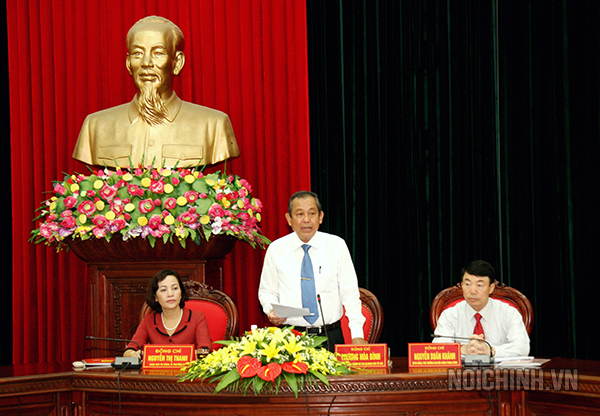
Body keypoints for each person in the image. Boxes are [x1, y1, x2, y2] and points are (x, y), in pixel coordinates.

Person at [72, 16, 240, 168]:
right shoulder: (95, 126)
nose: (146, 63)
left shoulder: (213, 125)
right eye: (137, 53)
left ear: (177, 62)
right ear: (129, 63)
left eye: (158, 53)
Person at [258, 191, 367, 351]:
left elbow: (350, 293)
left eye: (312, 213)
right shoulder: (276, 249)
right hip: (291, 338)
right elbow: (266, 292)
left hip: (331, 336)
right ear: (289, 219)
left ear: (320, 217)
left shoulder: (337, 246)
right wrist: (271, 310)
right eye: (300, 214)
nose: (306, 220)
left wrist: (357, 335)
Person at [432, 260, 530, 358]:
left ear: (491, 288)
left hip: (499, 372)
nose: (472, 291)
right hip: (459, 373)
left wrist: (491, 351)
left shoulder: (509, 313)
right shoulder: (450, 314)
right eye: (467, 284)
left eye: (479, 285)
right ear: (461, 285)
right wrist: (463, 349)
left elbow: (522, 347)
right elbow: (438, 349)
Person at [124, 269, 211, 358]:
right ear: (156, 297)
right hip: (156, 372)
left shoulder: (197, 318)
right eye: (163, 290)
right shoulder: (148, 321)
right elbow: (130, 349)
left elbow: (205, 350)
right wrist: (132, 355)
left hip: (188, 371)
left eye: (175, 288)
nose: (170, 294)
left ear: (181, 293)